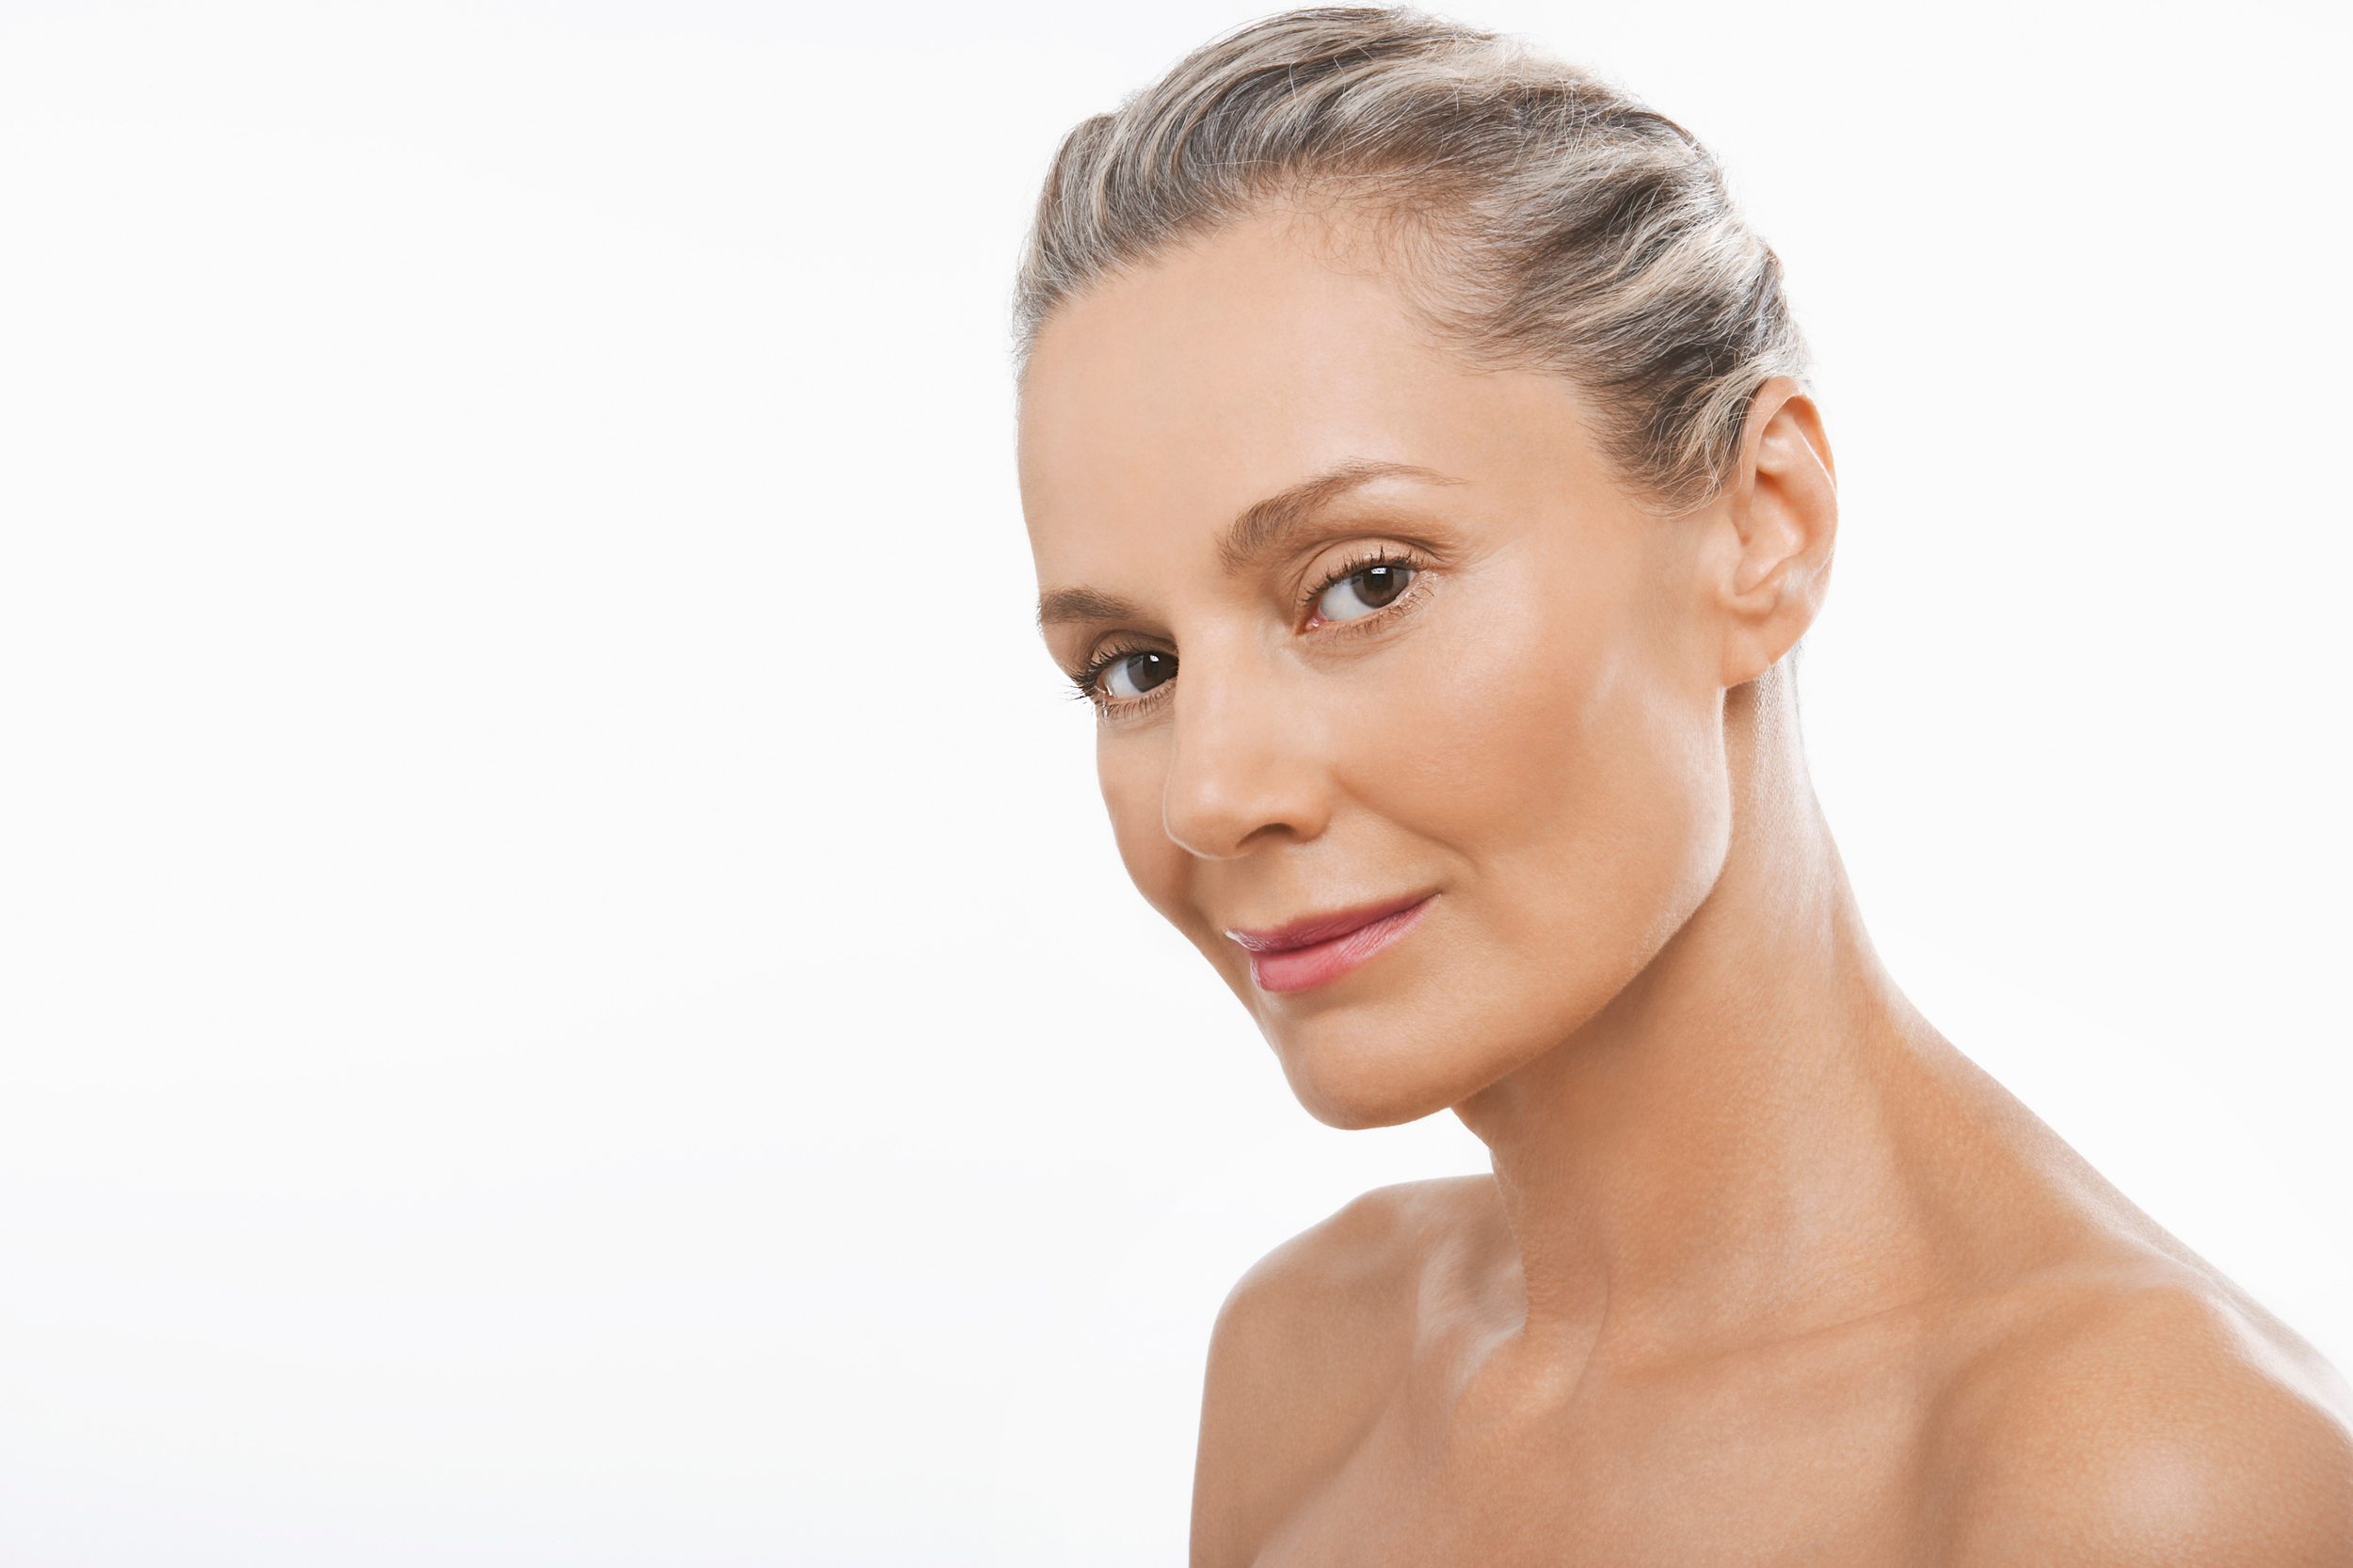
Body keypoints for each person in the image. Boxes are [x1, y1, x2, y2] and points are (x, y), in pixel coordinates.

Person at [1012, 8, 2353, 1562]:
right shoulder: (1305, 1361)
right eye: (1134, 666)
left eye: (1364, 581)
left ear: (1761, 527)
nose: (1210, 791)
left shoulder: (2135, 1483)